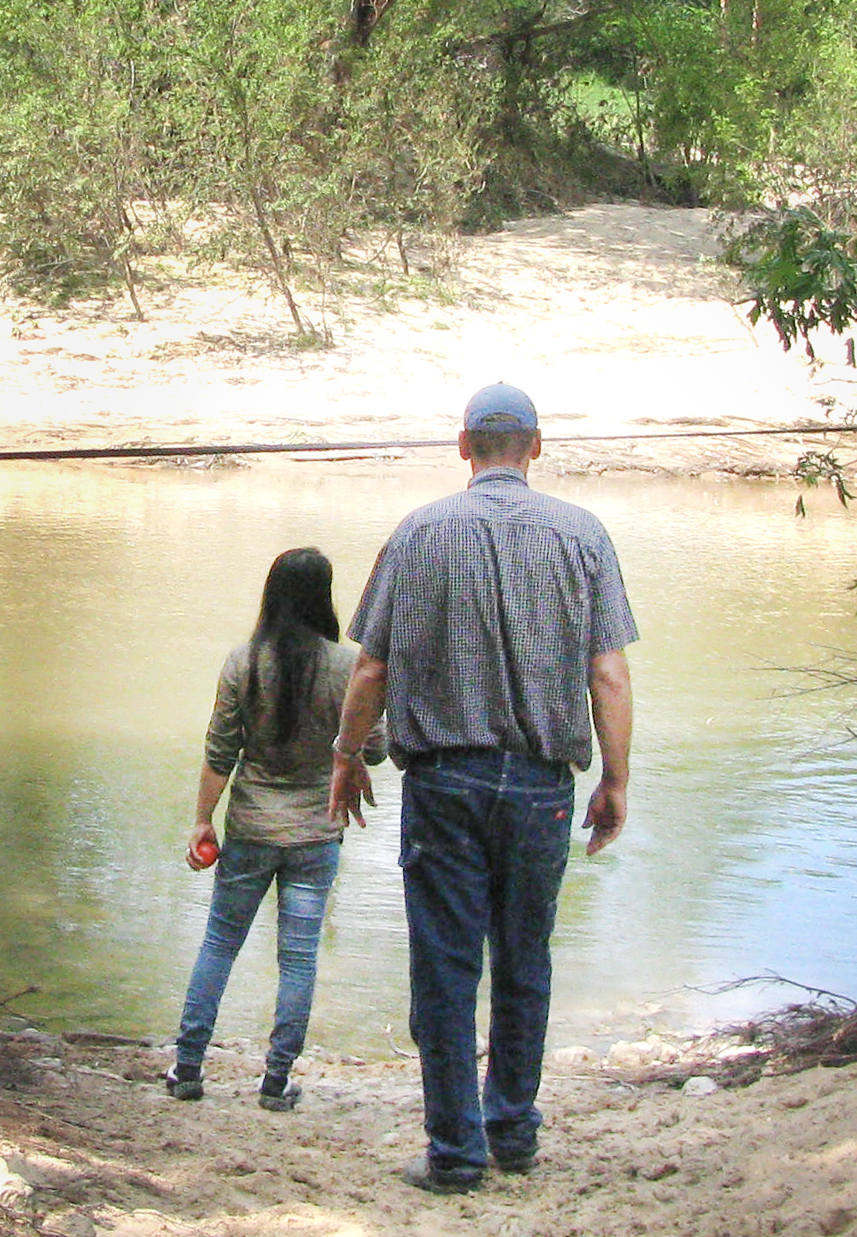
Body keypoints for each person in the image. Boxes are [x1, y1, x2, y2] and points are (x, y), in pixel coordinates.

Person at [329, 382, 636, 1193]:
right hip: (542, 785)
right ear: (536, 446)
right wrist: (616, 778)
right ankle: (512, 1130)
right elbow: (606, 669)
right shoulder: (583, 534)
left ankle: (455, 1152)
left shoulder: (419, 532)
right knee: (524, 959)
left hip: (444, 782)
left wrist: (345, 753)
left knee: (444, 964)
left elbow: (371, 665)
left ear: (462, 444)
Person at [167, 546, 383, 1112]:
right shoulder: (348, 666)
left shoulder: (243, 662)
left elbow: (221, 753)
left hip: (251, 830)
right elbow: (378, 747)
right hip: (317, 832)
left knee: (219, 943)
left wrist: (201, 820)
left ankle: (187, 1068)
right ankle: (275, 1080)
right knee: (300, 957)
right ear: (325, 596)